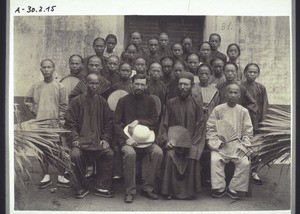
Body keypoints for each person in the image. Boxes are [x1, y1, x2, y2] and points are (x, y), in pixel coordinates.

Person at [114, 73, 163, 203]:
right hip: (127, 140)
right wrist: (126, 139)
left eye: (142, 84)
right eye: (137, 84)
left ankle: (147, 188)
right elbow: (117, 124)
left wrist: (138, 121)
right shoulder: (123, 101)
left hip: (147, 139)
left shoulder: (150, 101)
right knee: (130, 153)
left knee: (158, 152)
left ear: (146, 86)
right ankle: (130, 190)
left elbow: (154, 121)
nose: (139, 87)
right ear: (132, 84)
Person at [64, 73, 114, 198]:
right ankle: (80, 186)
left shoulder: (103, 102)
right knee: (75, 155)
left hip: (97, 142)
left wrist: (106, 139)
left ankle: (101, 186)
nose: (94, 86)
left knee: (109, 153)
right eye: (91, 83)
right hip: (81, 143)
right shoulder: (76, 101)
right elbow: (70, 123)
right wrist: (74, 139)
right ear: (86, 85)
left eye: (96, 83)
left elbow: (109, 123)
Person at [158, 71, 206, 199]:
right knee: (169, 155)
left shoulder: (197, 105)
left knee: (192, 155)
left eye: (186, 84)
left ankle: (189, 192)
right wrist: (166, 141)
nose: (183, 87)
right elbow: (164, 124)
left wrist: (192, 144)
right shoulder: (170, 103)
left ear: (191, 86)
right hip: (173, 143)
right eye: (180, 84)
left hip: (191, 142)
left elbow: (200, 126)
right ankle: (167, 191)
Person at [24, 59, 70, 188]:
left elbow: (64, 106)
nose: (46, 69)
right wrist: (36, 113)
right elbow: (27, 100)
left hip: (55, 124)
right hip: (40, 123)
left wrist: (59, 121)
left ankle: (61, 175)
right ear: (41, 70)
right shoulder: (37, 86)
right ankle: (46, 175)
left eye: (49, 67)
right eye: (44, 67)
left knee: (58, 149)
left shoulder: (60, 87)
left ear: (53, 69)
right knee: (41, 149)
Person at [206, 83, 253, 199]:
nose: (232, 95)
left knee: (244, 162)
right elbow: (210, 128)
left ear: (239, 95)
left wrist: (245, 145)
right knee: (215, 159)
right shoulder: (218, 110)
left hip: (237, 145)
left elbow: (248, 131)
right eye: (230, 92)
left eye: (235, 92)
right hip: (220, 146)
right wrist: (216, 143)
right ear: (225, 94)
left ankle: (234, 188)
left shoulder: (243, 111)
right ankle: (219, 187)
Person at [242, 63, 269, 185]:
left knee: (256, 148)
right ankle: (242, 171)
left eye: (254, 72)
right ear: (245, 73)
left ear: (258, 74)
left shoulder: (261, 88)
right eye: (249, 72)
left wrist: (263, 123)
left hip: (257, 121)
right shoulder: (241, 87)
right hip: (244, 120)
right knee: (243, 145)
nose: (252, 74)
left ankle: (254, 172)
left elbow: (264, 105)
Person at [217, 62, 259, 130]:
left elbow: (253, 104)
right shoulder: (220, 87)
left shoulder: (241, 88)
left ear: (236, 72)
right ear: (224, 72)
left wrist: (242, 112)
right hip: (223, 119)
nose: (230, 73)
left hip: (237, 119)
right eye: (227, 71)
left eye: (232, 71)